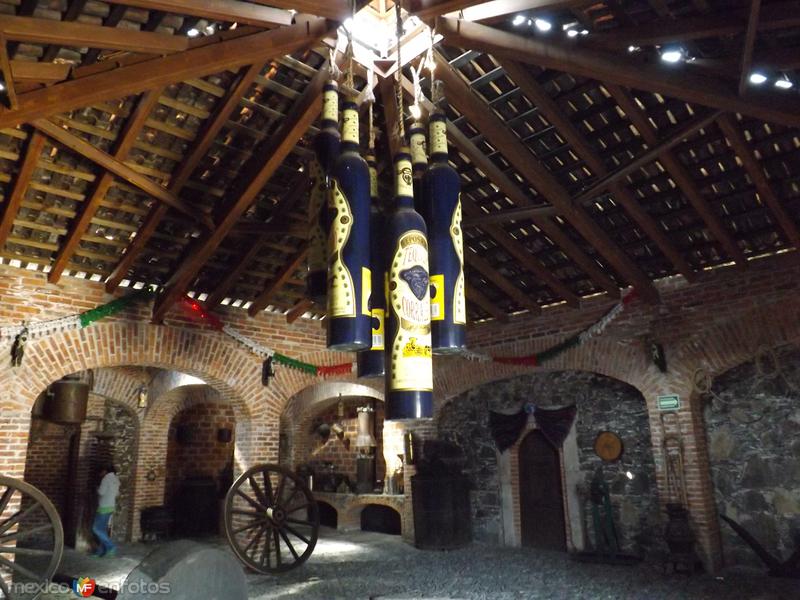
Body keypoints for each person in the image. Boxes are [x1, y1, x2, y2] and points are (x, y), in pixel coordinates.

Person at [92, 464, 120, 558]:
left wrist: (96, 488)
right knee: (102, 529)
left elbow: (101, 492)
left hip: (103, 506)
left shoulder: (106, 479)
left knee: (96, 528)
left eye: (101, 472)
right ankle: (101, 551)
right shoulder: (116, 479)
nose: (100, 474)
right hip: (111, 506)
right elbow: (117, 494)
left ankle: (111, 547)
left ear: (105, 471)